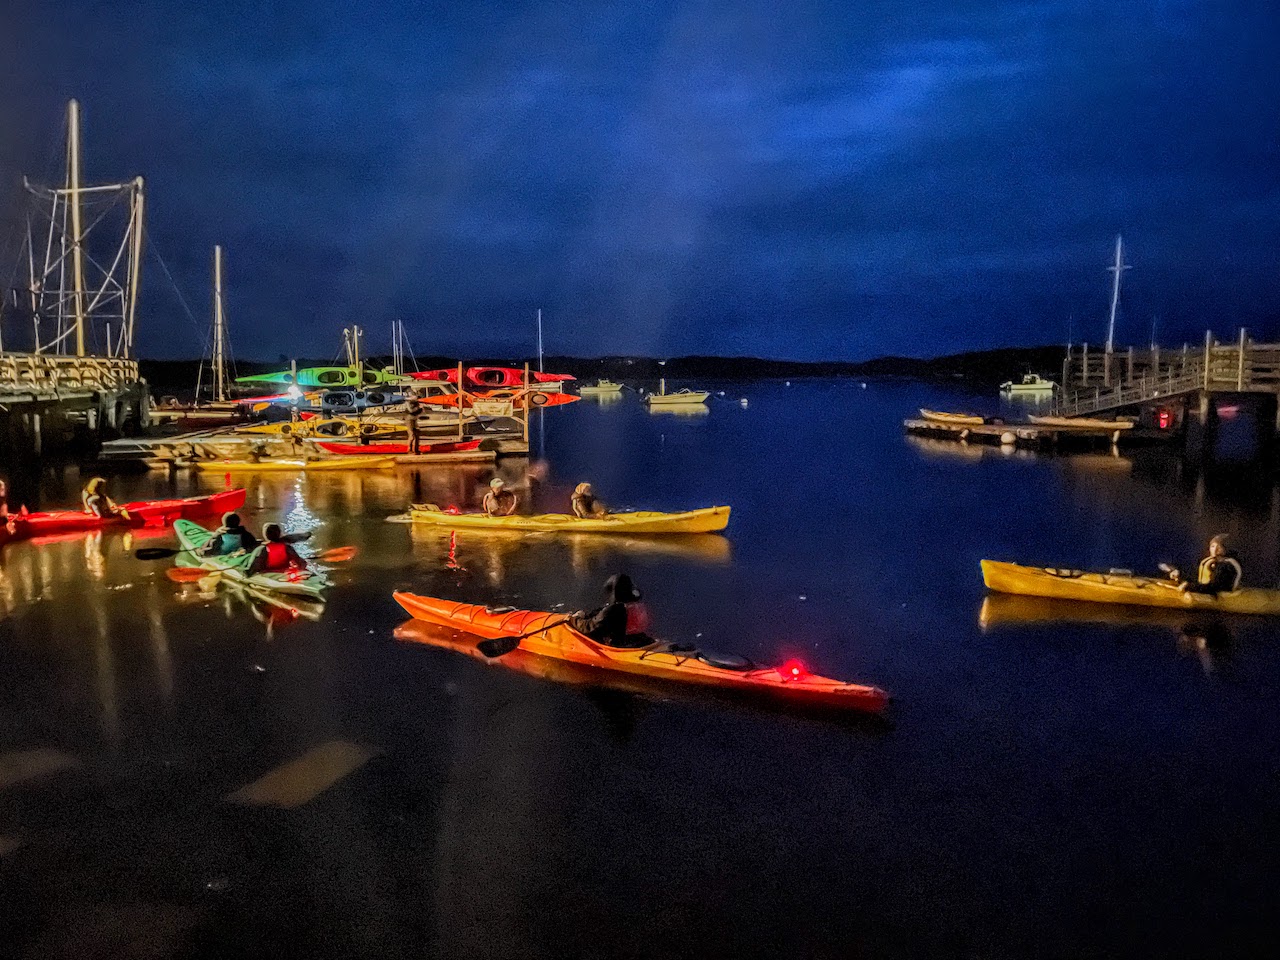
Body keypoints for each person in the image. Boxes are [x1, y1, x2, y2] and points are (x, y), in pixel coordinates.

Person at [570, 574, 652, 648]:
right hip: (640, 641)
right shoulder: (637, 605)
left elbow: (588, 627)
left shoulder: (614, 610)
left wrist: (575, 619)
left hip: (621, 647)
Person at [1174, 534, 1243, 596]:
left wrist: (1190, 587)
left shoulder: (1227, 566)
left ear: (1226, 548)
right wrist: (1180, 574)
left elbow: (1215, 588)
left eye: (1219, 547)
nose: (1215, 550)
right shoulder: (1212, 562)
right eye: (1213, 546)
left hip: (1223, 597)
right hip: (1208, 593)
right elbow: (1196, 576)